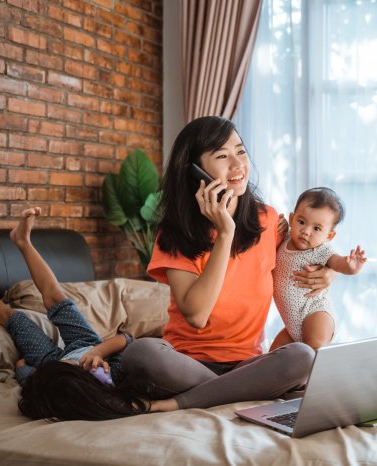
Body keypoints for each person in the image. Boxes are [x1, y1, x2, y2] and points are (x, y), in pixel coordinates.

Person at [121, 116, 336, 411]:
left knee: (301, 356)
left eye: (241, 151)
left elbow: (306, 256)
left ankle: (182, 402)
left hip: (248, 363)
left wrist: (329, 272)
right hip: (186, 363)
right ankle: (237, 391)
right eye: (222, 156)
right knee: (141, 354)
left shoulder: (269, 220)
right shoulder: (174, 233)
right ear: (195, 170)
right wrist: (225, 233)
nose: (238, 166)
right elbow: (196, 315)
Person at [0, 207, 171, 420]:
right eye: (75, 367)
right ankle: (23, 242)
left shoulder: (47, 382)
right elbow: (126, 339)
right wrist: (97, 352)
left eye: (70, 366)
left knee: (14, 318)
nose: (73, 362)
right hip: (86, 343)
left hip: (49, 360)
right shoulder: (112, 375)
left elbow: (24, 370)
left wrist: (25, 367)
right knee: (56, 298)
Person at [271, 187, 367, 351]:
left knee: (314, 350)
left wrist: (350, 266)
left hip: (316, 313)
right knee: (271, 357)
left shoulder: (321, 250)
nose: (306, 232)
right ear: (292, 218)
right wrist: (281, 226)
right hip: (291, 325)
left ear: (329, 236)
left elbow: (337, 262)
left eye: (316, 228)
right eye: (301, 222)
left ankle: (324, 376)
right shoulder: (286, 237)